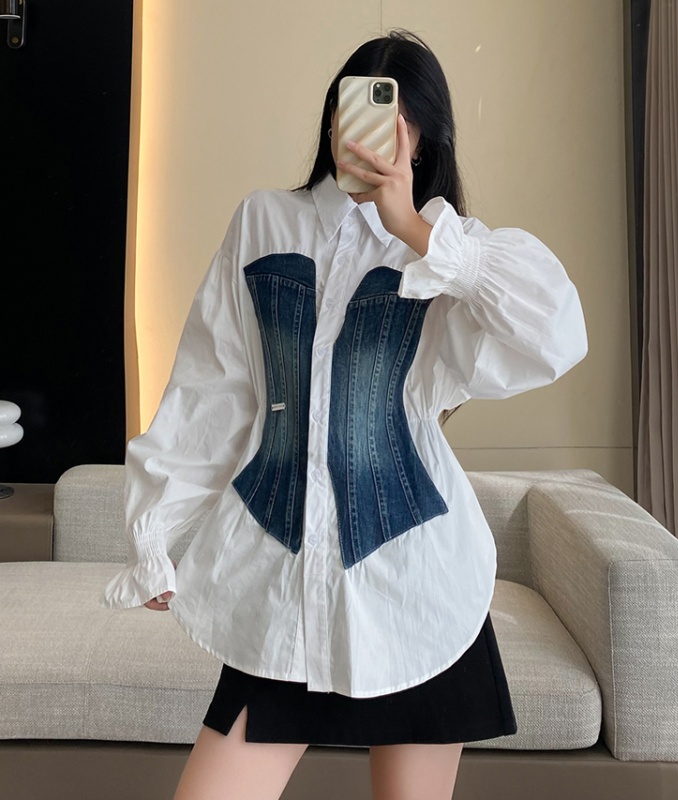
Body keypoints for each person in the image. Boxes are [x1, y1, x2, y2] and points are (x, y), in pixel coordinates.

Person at [101, 30, 588, 800]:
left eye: (395, 118)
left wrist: (416, 229)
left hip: (417, 594)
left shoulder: (446, 251)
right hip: (281, 594)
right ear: (333, 117)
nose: (365, 131)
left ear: (423, 138)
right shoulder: (265, 222)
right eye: (351, 105)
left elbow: (558, 332)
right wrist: (160, 532)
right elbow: (213, 389)